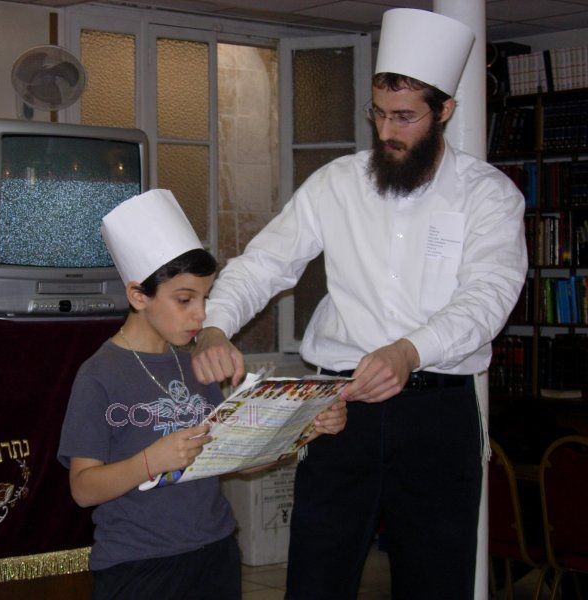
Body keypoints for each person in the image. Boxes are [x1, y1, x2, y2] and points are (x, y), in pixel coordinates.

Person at [191, 8, 528, 600]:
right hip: (339, 409)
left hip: (436, 413)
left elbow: (487, 299)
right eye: (379, 114)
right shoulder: (336, 184)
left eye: (405, 117)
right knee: (317, 580)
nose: (387, 131)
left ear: (444, 111)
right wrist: (216, 325)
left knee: (436, 583)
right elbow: (265, 263)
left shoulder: (489, 196)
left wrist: (408, 351)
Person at [57, 189, 347, 600]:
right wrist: (150, 461)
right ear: (138, 295)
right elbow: (83, 489)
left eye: (205, 298)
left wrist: (304, 427)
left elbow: (239, 461)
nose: (201, 314)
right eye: (185, 299)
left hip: (215, 552)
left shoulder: (195, 362)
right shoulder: (99, 374)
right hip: (137, 565)